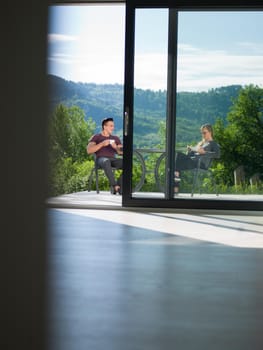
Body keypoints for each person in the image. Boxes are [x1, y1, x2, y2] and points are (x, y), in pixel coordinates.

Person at [174, 124, 220, 193]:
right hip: (194, 162)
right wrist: (191, 150)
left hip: (201, 164)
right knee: (177, 159)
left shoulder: (213, 143)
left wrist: (204, 152)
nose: (203, 135)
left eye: (204, 133)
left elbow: (217, 154)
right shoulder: (202, 143)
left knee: (178, 158)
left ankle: (176, 185)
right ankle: (176, 179)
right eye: (202, 133)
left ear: (210, 132)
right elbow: (193, 154)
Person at [87, 117, 123, 194]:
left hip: (113, 159)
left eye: (113, 126)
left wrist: (115, 147)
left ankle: (119, 184)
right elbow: (89, 150)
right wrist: (102, 144)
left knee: (128, 163)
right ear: (104, 126)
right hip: (100, 160)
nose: (113, 128)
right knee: (106, 161)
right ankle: (115, 186)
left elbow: (121, 153)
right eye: (111, 126)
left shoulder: (115, 138)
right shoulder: (96, 137)